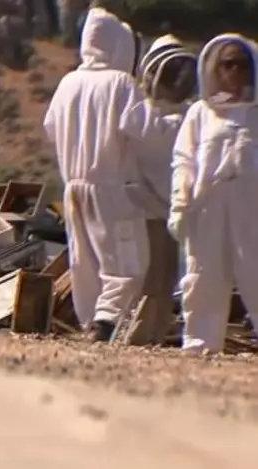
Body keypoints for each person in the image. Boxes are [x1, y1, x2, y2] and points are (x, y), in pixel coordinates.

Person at [43, 5, 169, 342]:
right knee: (126, 263)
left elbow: (51, 127)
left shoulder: (68, 82)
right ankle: (105, 323)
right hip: (111, 186)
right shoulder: (120, 84)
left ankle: (91, 322)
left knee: (84, 262)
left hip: (73, 187)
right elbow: (148, 131)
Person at [168, 34, 258, 353]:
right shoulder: (200, 114)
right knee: (202, 280)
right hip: (206, 211)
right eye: (227, 64)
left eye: (242, 64)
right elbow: (183, 160)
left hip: (251, 212)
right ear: (214, 68)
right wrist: (180, 203)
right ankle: (199, 347)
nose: (234, 71)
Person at [122, 35, 198, 346]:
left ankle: (152, 337)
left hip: (165, 212)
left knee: (165, 279)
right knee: (153, 279)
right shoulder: (141, 117)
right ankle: (138, 337)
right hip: (148, 212)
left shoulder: (181, 118)